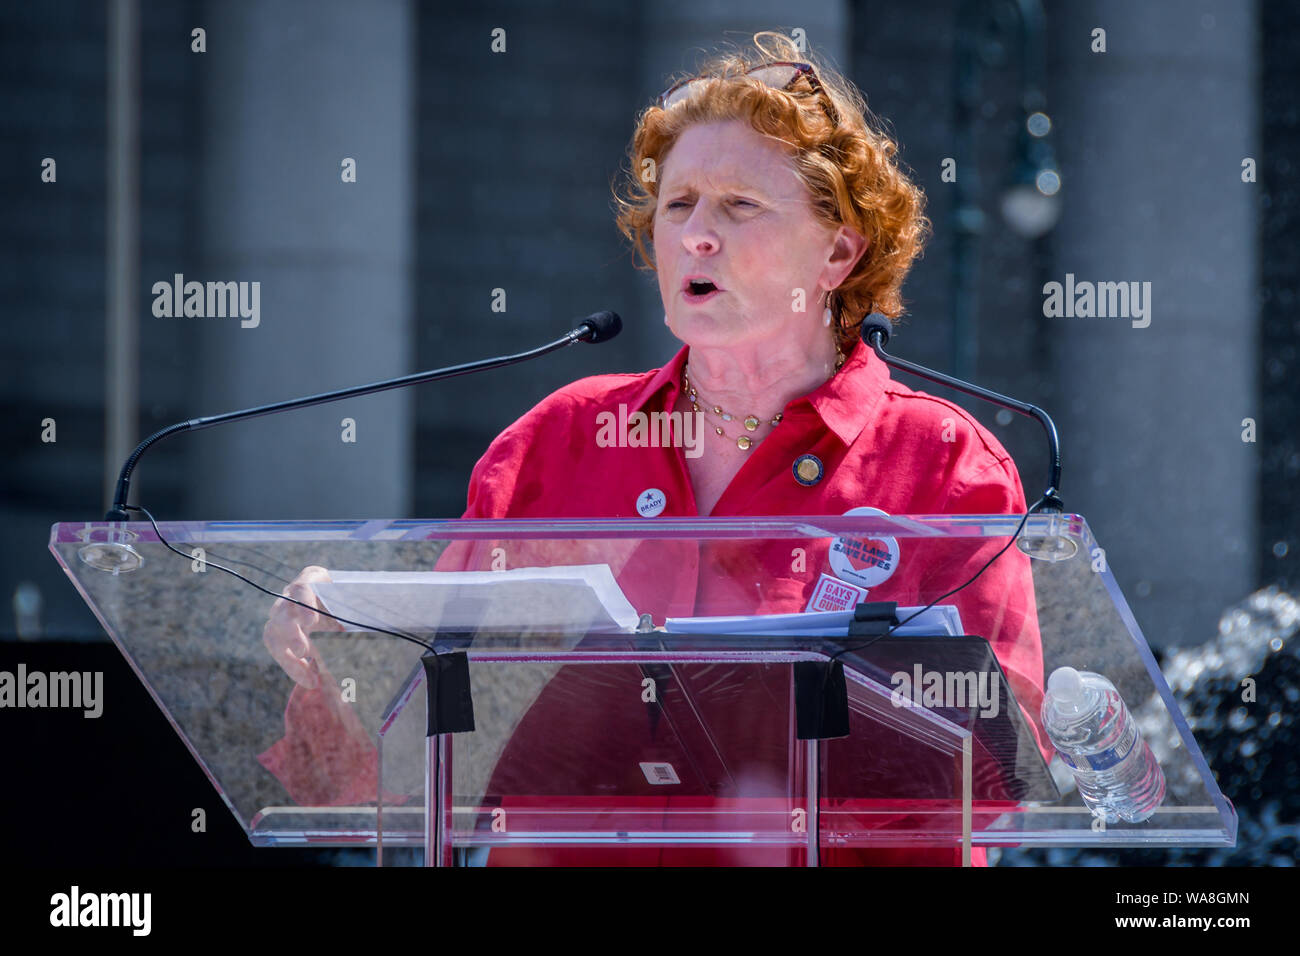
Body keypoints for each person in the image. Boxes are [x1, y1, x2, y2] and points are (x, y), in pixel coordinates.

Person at [261, 31, 1049, 865]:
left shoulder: (942, 466)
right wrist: (339, 646)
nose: (696, 237)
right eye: (678, 206)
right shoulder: (559, 441)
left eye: (740, 205)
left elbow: (992, 784)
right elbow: (392, 758)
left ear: (838, 251)